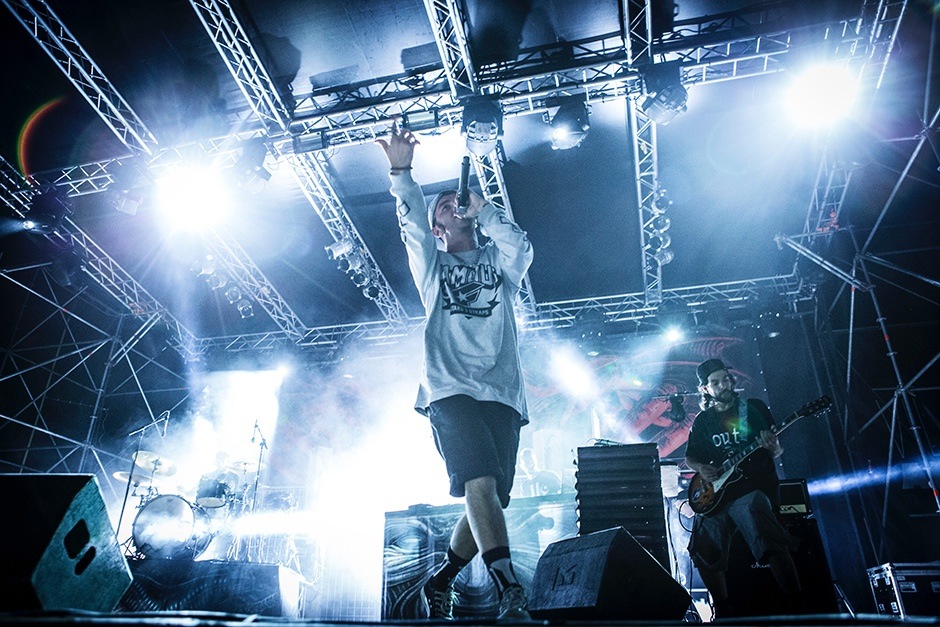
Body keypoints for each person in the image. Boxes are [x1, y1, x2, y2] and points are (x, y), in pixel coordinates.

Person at [377, 122, 534, 620]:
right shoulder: (432, 268)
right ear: (438, 229)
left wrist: (484, 209)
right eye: (441, 205)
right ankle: (510, 590)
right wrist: (402, 173)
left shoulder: (499, 263)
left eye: (456, 200)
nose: (451, 203)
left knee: (487, 497)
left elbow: (521, 248)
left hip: (502, 392)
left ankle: (442, 578)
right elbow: (410, 226)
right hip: (449, 389)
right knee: (479, 481)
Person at [684, 358, 803, 618]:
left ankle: (797, 606)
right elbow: (690, 457)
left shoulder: (753, 408)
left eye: (726, 379)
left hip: (752, 487)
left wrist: (774, 446)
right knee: (702, 546)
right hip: (718, 494)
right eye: (716, 382)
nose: (723, 385)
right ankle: (723, 610)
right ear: (705, 389)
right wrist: (702, 468)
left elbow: (776, 451)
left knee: (766, 533)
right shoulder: (703, 420)